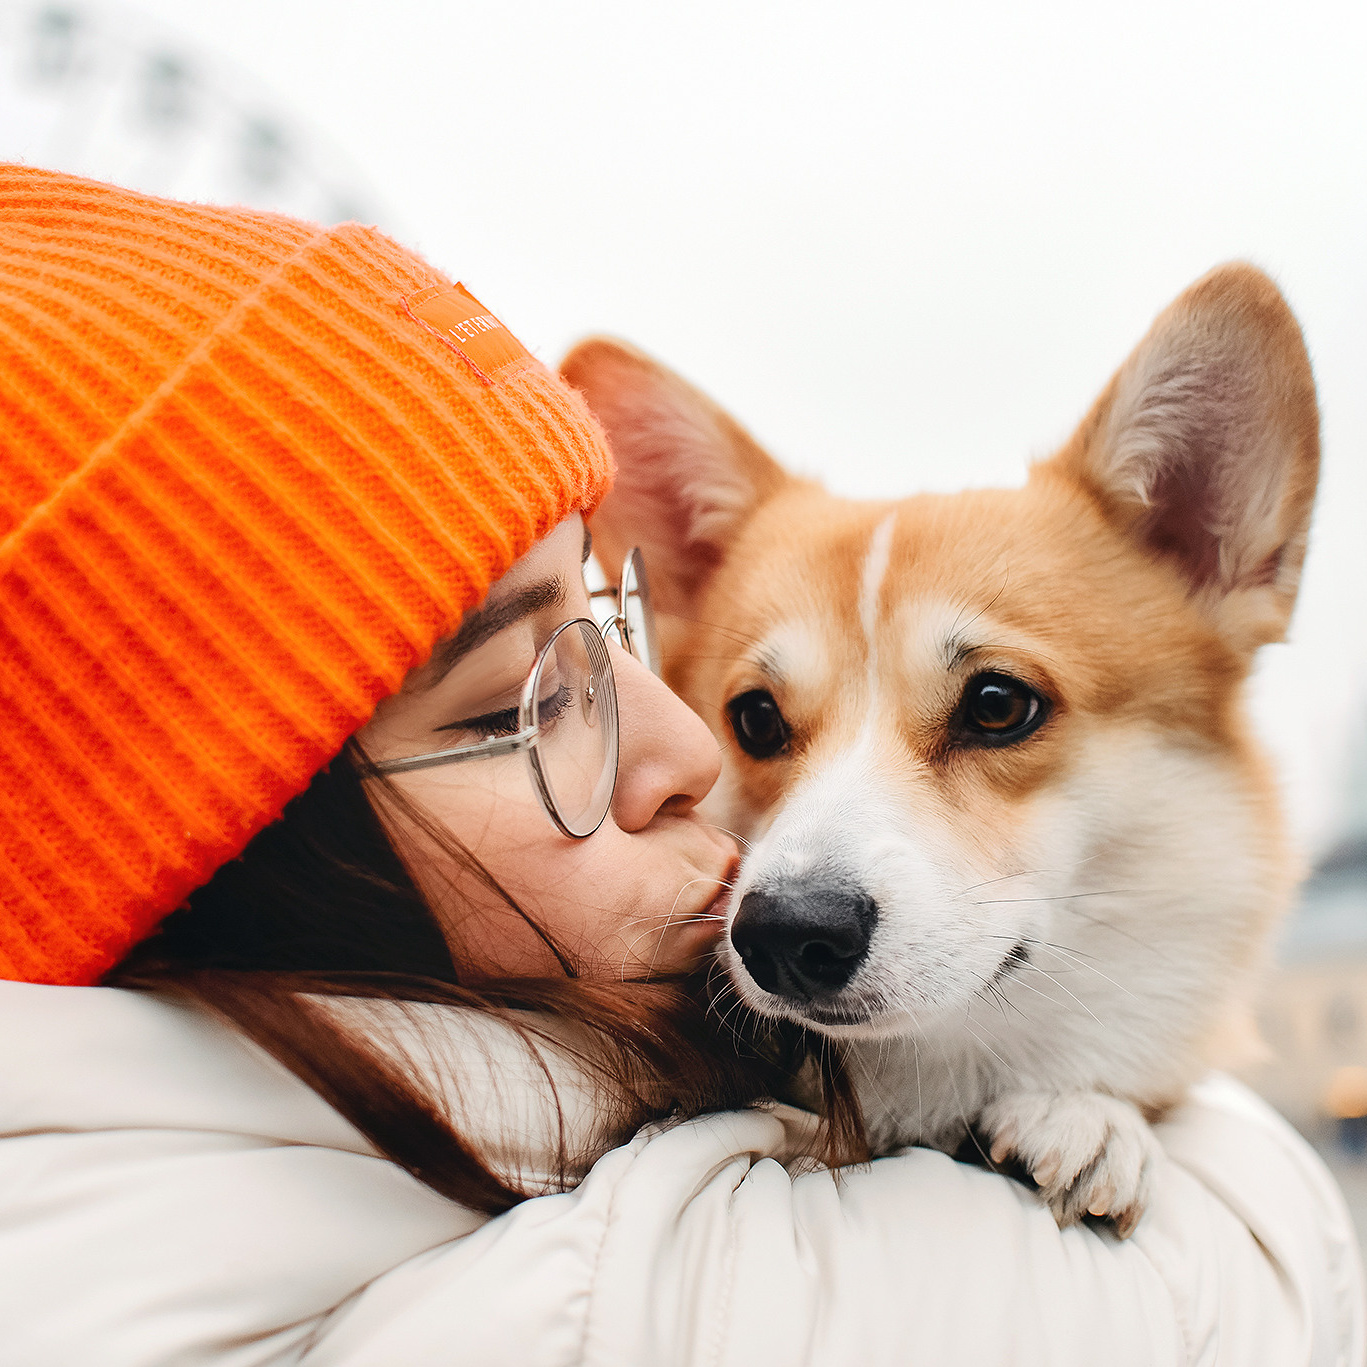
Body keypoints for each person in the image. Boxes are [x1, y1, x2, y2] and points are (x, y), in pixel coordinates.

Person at [0, 165, 1360, 1367]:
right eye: (507, 712)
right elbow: (1216, 1287)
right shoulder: (625, 1288)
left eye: (993, 707)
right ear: (247, 851)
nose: (692, 750)